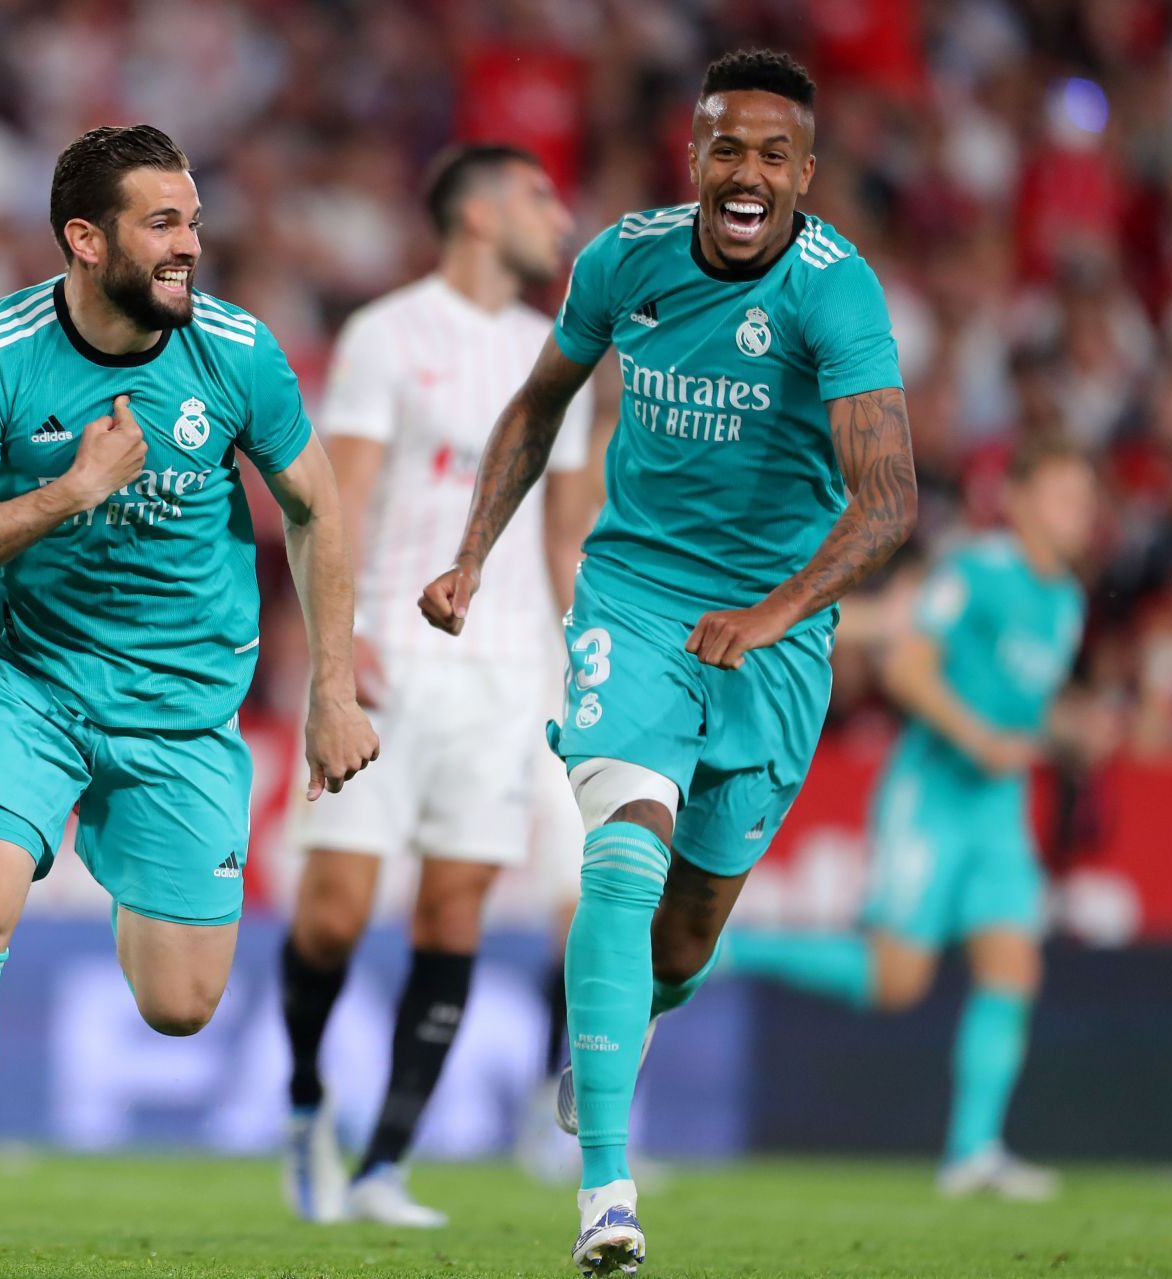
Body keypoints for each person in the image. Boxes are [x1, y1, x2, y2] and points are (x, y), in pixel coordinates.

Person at [420, 50, 918, 1277]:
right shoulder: (622, 259)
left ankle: (607, 1047)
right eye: (725, 148)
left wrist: (775, 608)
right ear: (694, 154)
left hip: (777, 634)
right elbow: (539, 406)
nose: (746, 173)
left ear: (804, 171)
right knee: (620, 855)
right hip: (633, 598)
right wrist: (472, 555)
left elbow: (889, 500)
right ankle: (605, 1192)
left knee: (683, 943)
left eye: (773, 155)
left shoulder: (834, 293)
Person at [0, 124, 379, 1273]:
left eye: (193, 219)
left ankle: (114, 840)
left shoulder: (239, 354)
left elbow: (319, 508)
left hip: (183, 713)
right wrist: (68, 492)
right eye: (164, 224)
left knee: (182, 1005)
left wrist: (331, 691)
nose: (192, 244)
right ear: (85, 241)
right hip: (32, 678)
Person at [277, 143, 594, 1227]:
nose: (561, 215)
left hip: (507, 672)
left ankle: (382, 1165)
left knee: (455, 905)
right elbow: (338, 495)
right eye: (540, 195)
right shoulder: (387, 335)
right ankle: (307, 1101)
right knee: (332, 914)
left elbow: (565, 529)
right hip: (390, 665)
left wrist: (584, 659)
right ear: (477, 213)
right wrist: (338, 637)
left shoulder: (560, 355)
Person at [724, 437, 1097, 1201]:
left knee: (1013, 965)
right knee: (898, 979)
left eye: (1085, 500)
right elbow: (904, 665)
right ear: (1020, 502)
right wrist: (976, 736)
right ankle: (733, 948)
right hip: (931, 791)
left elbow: (1024, 699)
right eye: (1063, 495)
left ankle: (972, 1153)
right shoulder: (976, 573)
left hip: (997, 807)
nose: (1079, 514)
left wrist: (1068, 730)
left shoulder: (1068, 601)